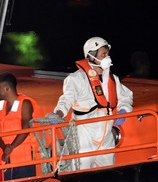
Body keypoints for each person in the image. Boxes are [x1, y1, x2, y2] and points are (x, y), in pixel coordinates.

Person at [54, 37, 134, 169]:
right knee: (80, 175)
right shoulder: (76, 79)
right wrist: (58, 114)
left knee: (108, 175)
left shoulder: (112, 79)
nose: (107, 57)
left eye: (107, 54)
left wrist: (123, 110)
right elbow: (66, 99)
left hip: (106, 138)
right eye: (103, 54)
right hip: (83, 138)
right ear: (91, 56)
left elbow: (126, 96)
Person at [0, 72, 39, 180]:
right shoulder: (1, 106)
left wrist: (11, 147)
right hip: (6, 158)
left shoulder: (25, 103)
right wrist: (5, 149)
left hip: (24, 158)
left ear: (7, 89)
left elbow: (26, 129)